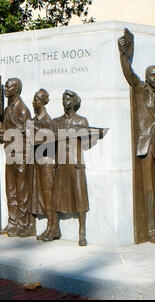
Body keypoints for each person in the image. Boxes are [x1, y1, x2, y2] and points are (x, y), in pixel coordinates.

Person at [118, 28, 155, 244]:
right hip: (144, 148)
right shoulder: (140, 90)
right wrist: (123, 53)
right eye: (152, 75)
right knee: (148, 192)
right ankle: (150, 232)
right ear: (147, 77)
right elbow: (129, 73)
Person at [0, 78, 35, 237]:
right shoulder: (7, 109)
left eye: (9, 86)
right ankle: (12, 222)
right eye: (6, 86)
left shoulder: (22, 109)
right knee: (10, 190)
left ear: (16, 89)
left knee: (21, 191)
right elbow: (3, 132)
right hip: (10, 154)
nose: (6, 88)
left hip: (21, 155)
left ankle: (24, 224)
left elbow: (29, 132)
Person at [51, 90, 93, 246]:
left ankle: (82, 233)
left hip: (76, 163)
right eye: (63, 99)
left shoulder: (82, 121)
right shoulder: (57, 122)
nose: (64, 101)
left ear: (74, 102)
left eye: (68, 99)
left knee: (80, 196)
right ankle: (55, 227)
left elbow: (88, 143)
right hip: (61, 162)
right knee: (56, 195)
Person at [29, 89, 56, 241]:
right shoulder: (36, 119)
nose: (34, 102)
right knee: (42, 195)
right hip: (37, 160)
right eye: (34, 100)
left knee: (48, 195)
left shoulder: (47, 119)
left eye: (36, 100)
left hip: (46, 161)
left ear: (43, 101)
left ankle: (53, 226)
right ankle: (50, 226)